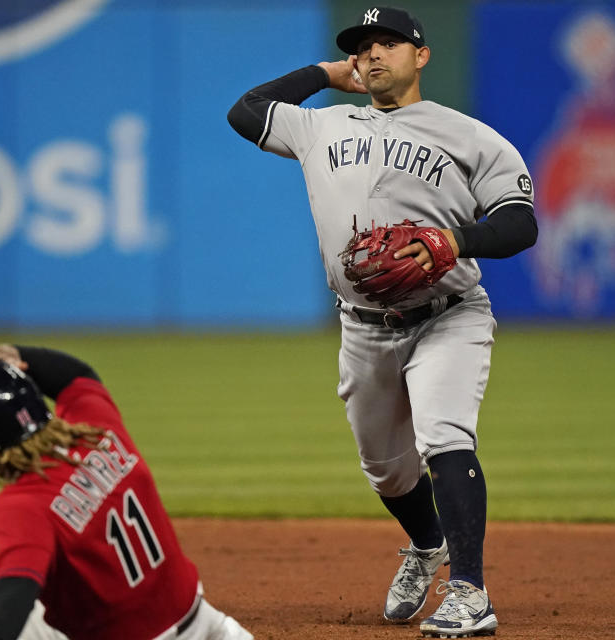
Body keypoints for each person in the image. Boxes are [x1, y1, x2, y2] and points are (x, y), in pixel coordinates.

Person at [227, 6, 537, 638]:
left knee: (444, 435)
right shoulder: (322, 126)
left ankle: (471, 594)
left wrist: (456, 241)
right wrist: (322, 72)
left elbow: (519, 223)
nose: (373, 54)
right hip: (364, 327)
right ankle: (428, 547)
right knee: (386, 470)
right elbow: (246, 110)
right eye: (362, 46)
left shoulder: (470, 136)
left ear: (421, 56)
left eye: (389, 44)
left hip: (448, 316)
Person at [0, 344, 253, 640]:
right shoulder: (96, 427)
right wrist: (17, 353)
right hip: (211, 628)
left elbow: (15, 588)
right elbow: (76, 374)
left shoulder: (23, 504)